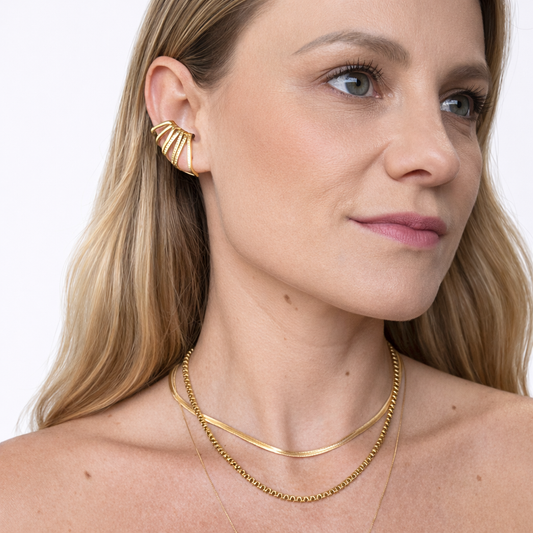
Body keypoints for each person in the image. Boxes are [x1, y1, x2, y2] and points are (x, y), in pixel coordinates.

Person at [1, 0, 533, 530]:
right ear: (184, 115)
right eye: (354, 82)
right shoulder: (26, 505)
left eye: (459, 103)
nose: (439, 156)